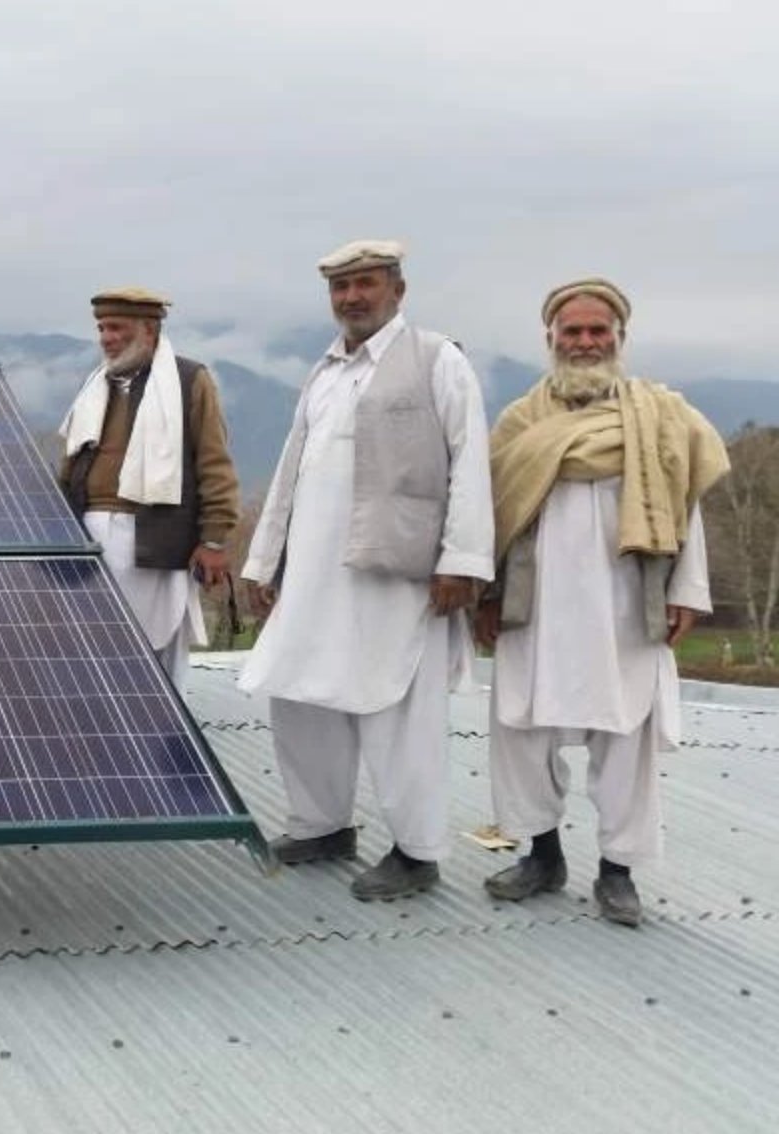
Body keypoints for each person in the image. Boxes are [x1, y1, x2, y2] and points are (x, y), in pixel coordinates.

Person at [239, 241, 493, 900]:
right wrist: (264, 562)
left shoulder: (437, 359)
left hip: (398, 574)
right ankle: (321, 825)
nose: (352, 297)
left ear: (397, 290)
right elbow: (291, 471)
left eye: (365, 284)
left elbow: (470, 462)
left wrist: (461, 562)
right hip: (312, 573)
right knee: (300, 694)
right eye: (341, 287)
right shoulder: (323, 372)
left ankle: (417, 851)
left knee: (396, 708)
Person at [475, 278, 729, 926]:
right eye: (573, 331)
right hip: (535, 607)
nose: (585, 342)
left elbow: (684, 509)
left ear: (619, 337)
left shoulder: (660, 416)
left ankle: (617, 872)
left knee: (625, 739)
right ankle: (542, 856)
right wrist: (485, 595)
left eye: (598, 331)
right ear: (551, 338)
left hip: (624, 605)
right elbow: (494, 516)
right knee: (522, 732)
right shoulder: (521, 422)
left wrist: (687, 591)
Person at [58, 287, 239, 678]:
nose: (106, 338)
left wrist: (214, 540)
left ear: (149, 330)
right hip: (88, 535)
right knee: (91, 652)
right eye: (101, 328)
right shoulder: (96, 384)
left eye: (116, 328)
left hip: (154, 535)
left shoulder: (189, 380)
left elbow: (213, 463)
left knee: (151, 660)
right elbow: (70, 461)